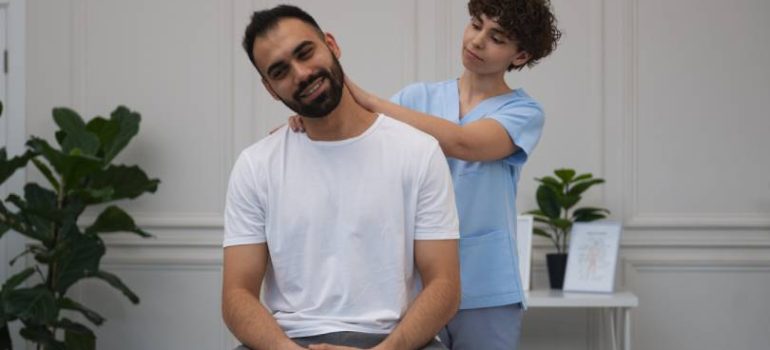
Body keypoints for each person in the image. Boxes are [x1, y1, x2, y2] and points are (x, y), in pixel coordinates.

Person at [287, 0, 561, 348]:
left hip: (486, 288)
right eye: (476, 25)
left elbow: (464, 143)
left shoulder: (523, 112)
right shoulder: (417, 98)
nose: (477, 41)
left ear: (519, 56)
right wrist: (308, 119)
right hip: (418, 290)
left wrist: (368, 99)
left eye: (497, 37)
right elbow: (361, 135)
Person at [222, 5, 461, 350]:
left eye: (305, 53)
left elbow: (445, 285)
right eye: (280, 71)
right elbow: (236, 294)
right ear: (271, 89)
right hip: (289, 342)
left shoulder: (418, 152)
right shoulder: (256, 165)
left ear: (331, 45)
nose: (301, 73)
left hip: (396, 342)